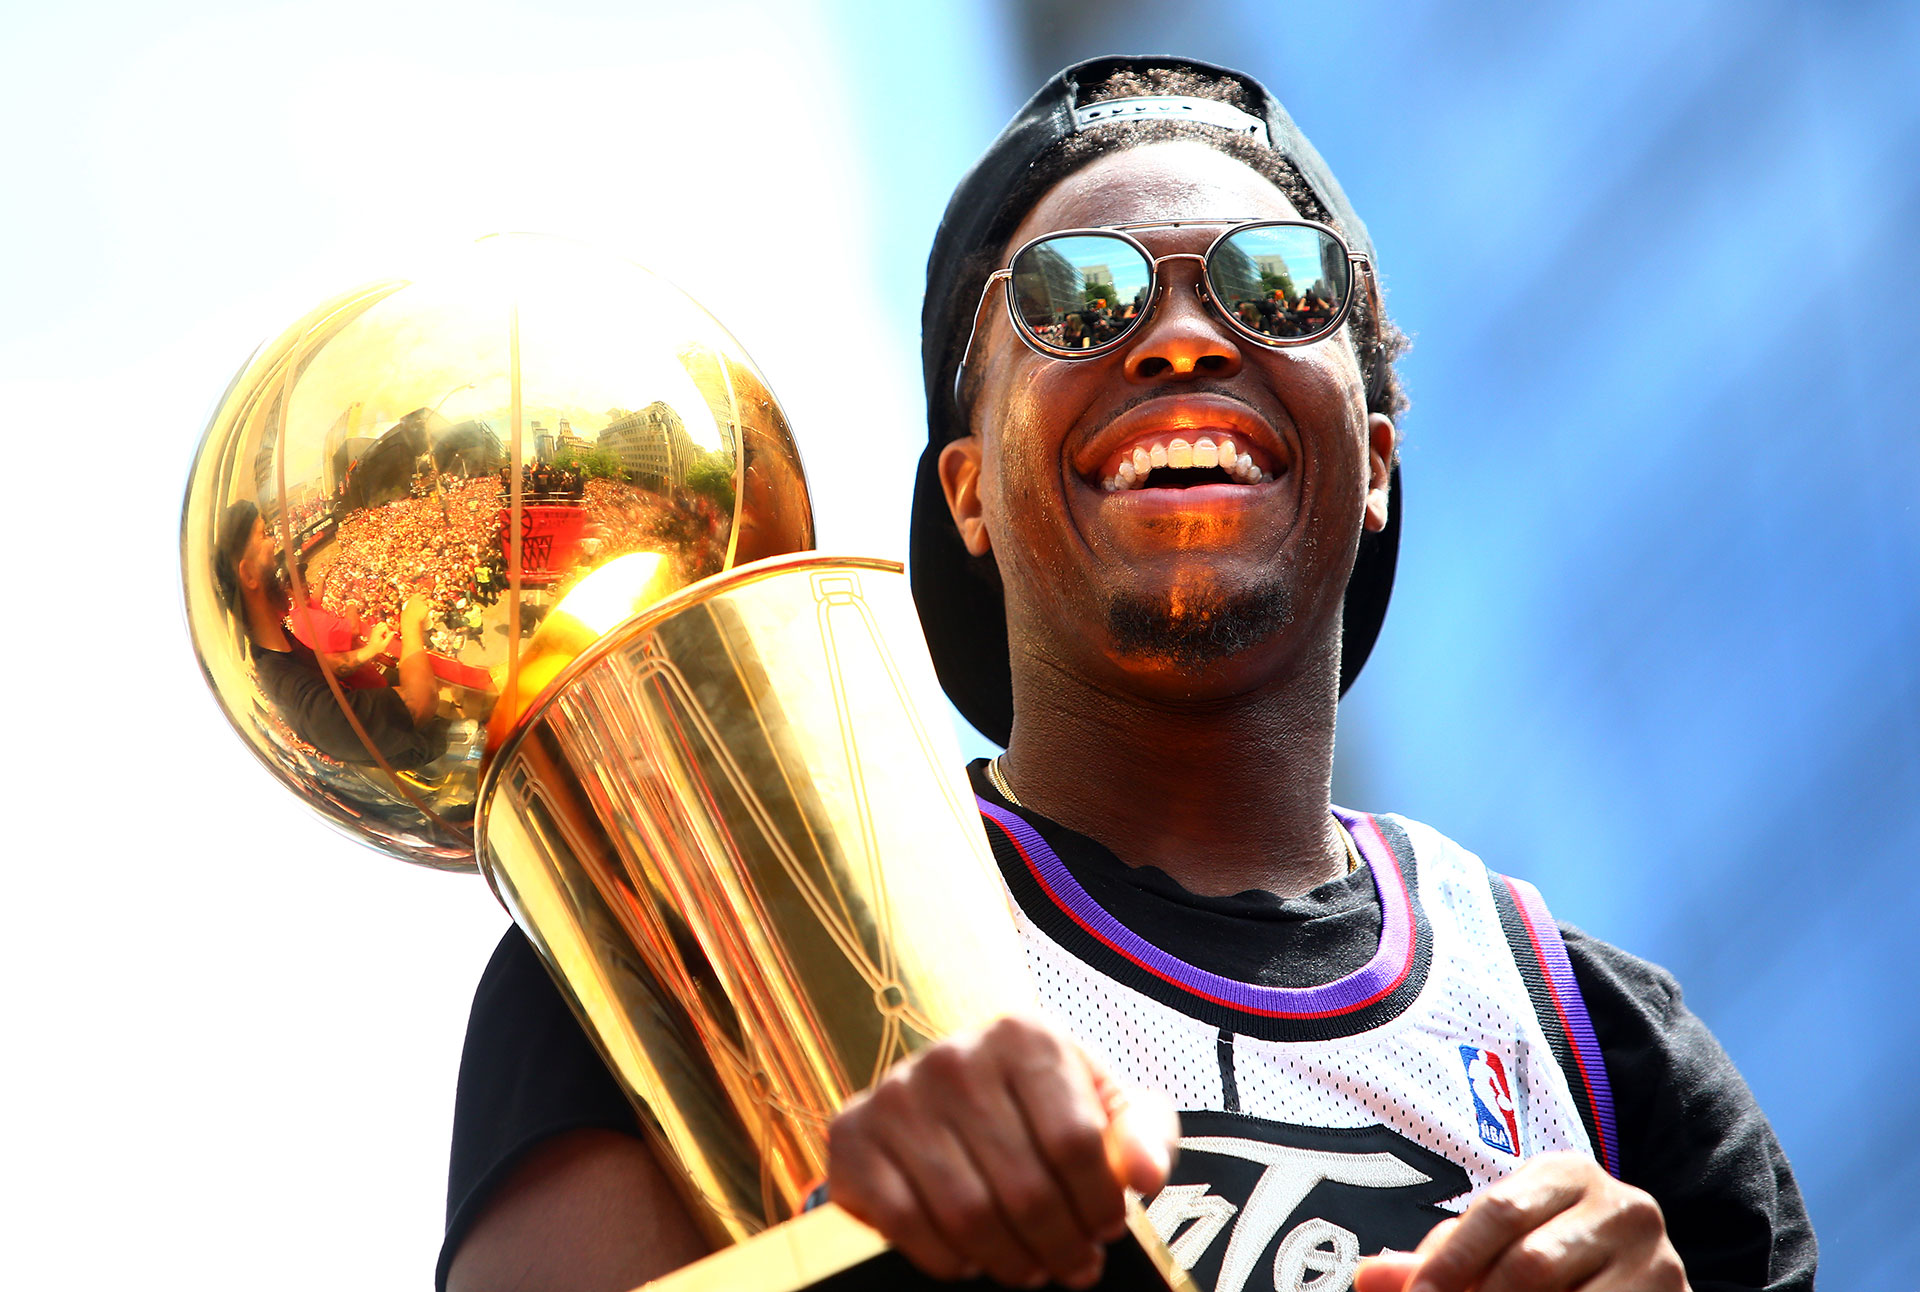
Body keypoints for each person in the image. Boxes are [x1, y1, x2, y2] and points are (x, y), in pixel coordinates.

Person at [438, 58, 1814, 1292]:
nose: (1181, 337)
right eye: (1077, 296)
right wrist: (848, 1240)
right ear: (967, 496)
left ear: (1379, 456)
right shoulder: (698, 952)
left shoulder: (1609, 1056)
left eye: (1275, 283)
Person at [216, 500, 447, 769]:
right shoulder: (309, 705)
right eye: (265, 534)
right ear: (248, 575)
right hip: (428, 759)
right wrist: (410, 623)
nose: (275, 541)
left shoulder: (273, 646)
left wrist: (368, 651)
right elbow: (421, 702)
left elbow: (325, 664)